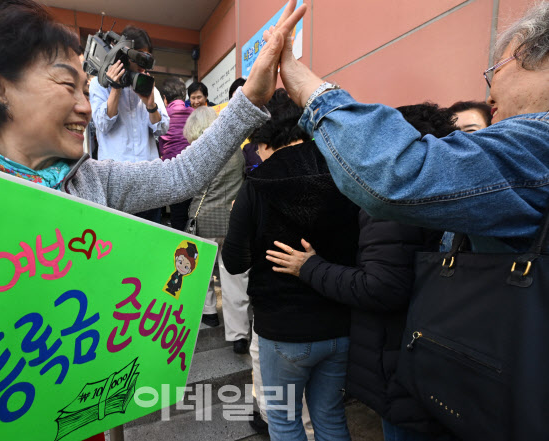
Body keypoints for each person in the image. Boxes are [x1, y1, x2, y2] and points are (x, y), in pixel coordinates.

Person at [0, 0, 306, 434]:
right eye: (69, 86)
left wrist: (251, 97)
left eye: (87, 90)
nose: (86, 108)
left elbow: (182, 174)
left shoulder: (93, 181)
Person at [266, 1, 548, 439]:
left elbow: (397, 177)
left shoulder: (539, 146)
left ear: (539, 55)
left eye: (497, 69)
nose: (489, 94)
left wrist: (305, 85)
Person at [266, 103, 460, 441]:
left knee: (287, 419)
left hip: (402, 358)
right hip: (427, 351)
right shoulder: (447, 189)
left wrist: (309, 266)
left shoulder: (393, 200)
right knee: (329, 414)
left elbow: (381, 286)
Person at [223, 88, 360, 441]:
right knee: (330, 418)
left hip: (282, 329)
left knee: (283, 421)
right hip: (340, 323)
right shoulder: (344, 172)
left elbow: (234, 262)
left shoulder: (258, 185)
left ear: (263, 137)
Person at [183, 107, 251, 355]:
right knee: (235, 277)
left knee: (203, 272)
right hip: (233, 221)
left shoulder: (198, 153)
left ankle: (209, 314)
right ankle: (239, 335)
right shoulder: (237, 152)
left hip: (204, 219)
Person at [89, 25, 170, 223]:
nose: (144, 64)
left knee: (150, 242)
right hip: (116, 184)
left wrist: (150, 105)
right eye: (140, 57)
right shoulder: (100, 84)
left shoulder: (149, 86)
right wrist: (115, 88)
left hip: (149, 183)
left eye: (147, 57)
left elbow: (163, 128)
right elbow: (102, 125)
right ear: (124, 53)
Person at [158, 77, 194, 231]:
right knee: (192, 213)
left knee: (177, 216)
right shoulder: (194, 113)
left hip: (172, 174)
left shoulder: (162, 117)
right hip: (193, 171)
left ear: (165, 99)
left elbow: (160, 147)